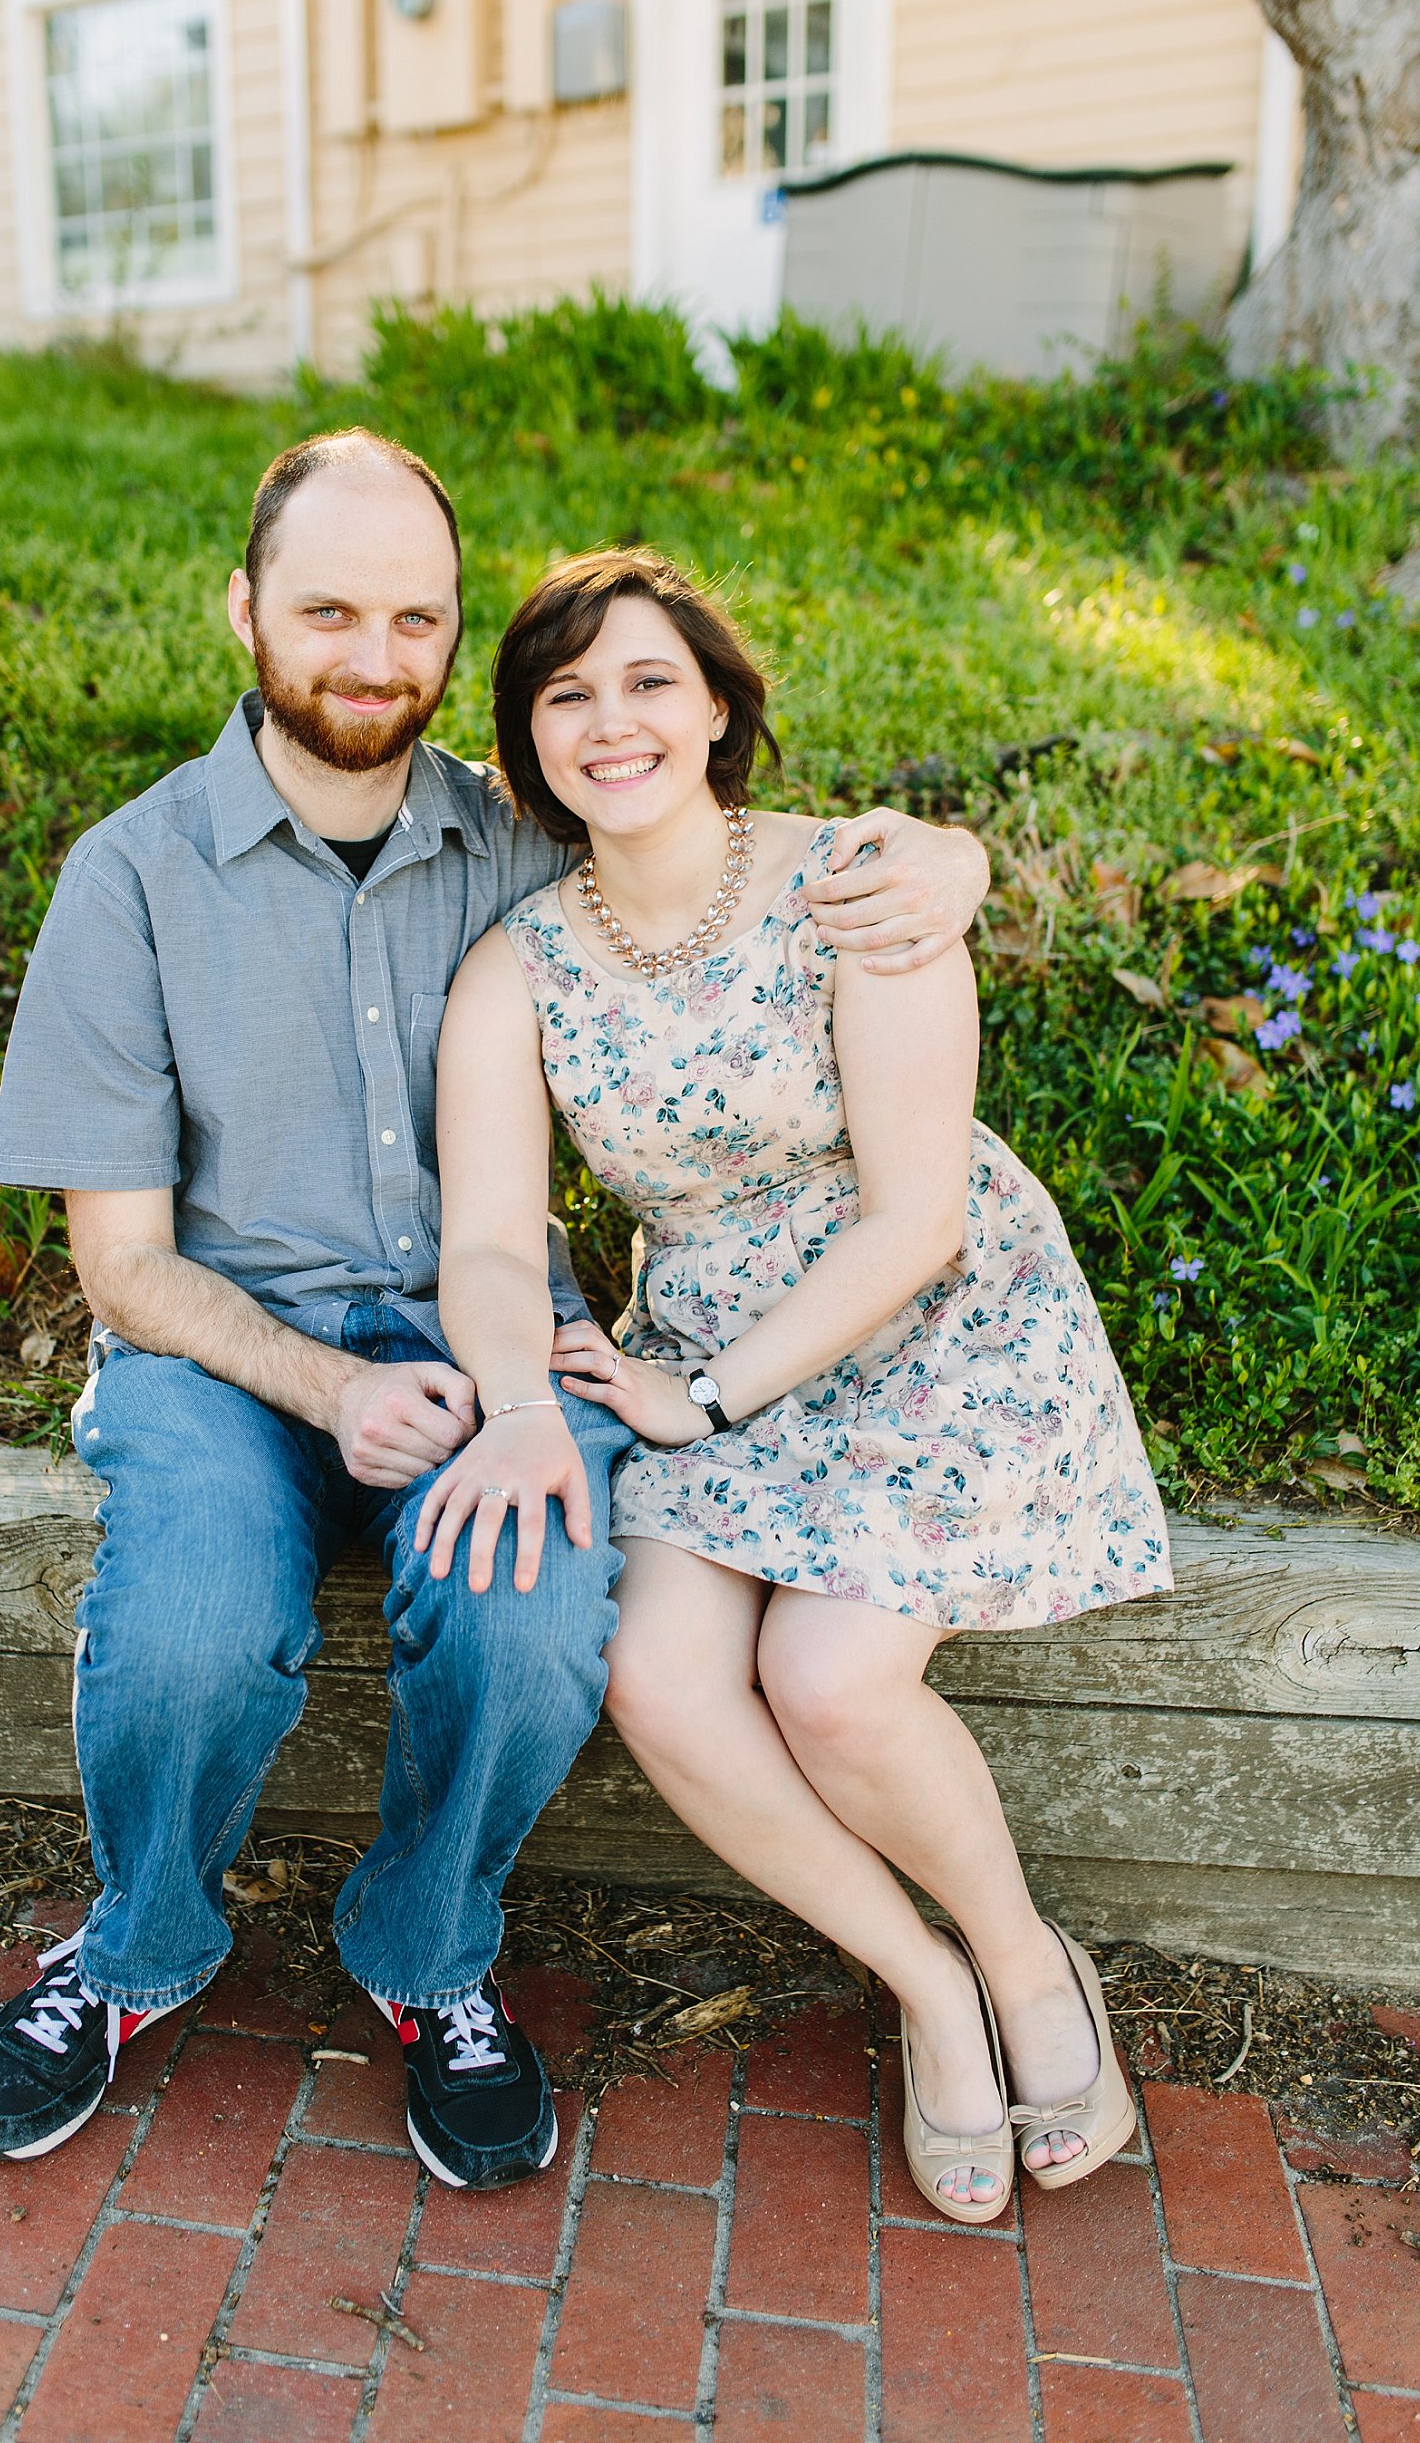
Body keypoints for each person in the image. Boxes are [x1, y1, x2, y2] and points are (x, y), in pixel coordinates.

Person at [0, 433, 993, 2190]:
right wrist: (317, 1388)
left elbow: (736, 853)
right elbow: (120, 1267)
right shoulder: (126, 880)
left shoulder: (527, 837)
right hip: (224, 1349)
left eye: (414, 615)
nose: (373, 651)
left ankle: (426, 1949)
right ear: (244, 609)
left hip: (491, 1344)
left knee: (524, 1609)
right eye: (329, 607)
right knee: (196, 1622)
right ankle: (132, 1948)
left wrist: (949, 863)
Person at [421, 544, 1169, 2221]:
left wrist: (708, 1398)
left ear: (715, 708)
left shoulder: (859, 882)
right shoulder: (516, 970)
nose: (610, 722)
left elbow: (914, 1218)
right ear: (528, 743)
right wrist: (527, 1393)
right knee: (664, 1678)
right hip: (692, 1337)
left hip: (929, 1324)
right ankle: (926, 1983)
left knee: (831, 1677)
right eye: (564, 696)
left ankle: (1025, 1957)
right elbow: (486, 1240)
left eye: (647, 682)